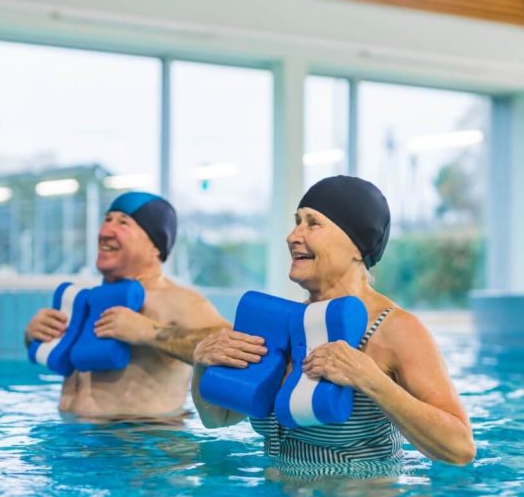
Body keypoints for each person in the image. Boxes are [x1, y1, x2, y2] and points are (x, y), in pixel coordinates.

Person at [191, 176, 475, 465]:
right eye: (296, 222)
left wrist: (371, 380)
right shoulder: (284, 324)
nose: (293, 236)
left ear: (356, 246)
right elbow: (217, 418)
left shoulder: (395, 329)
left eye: (312, 223)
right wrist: (202, 365)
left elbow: (460, 447)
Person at [25, 191, 228, 422]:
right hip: (70, 440)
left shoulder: (179, 300)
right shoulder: (92, 299)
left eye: (123, 223)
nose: (105, 231)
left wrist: (149, 332)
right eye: (107, 219)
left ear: (155, 246)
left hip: (140, 445)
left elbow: (231, 345)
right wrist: (34, 335)